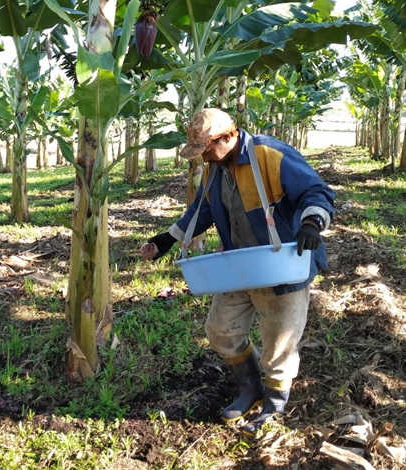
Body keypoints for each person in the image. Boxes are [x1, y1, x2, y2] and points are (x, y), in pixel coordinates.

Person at [141, 108, 335, 436]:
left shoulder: (270, 155)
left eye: (206, 150)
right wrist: (167, 239)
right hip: (238, 265)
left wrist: (313, 222)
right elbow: (201, 210)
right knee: (220, 330)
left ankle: (274, 402)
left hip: (281, 266)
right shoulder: (216, 169)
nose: (203, 158)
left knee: (279, 343)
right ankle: (251, 386)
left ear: (228, 137)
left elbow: (315, 191)